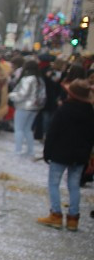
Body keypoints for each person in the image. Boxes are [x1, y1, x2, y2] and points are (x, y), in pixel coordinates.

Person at [37, 78, 94, 230]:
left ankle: (56, 214)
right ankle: (73, 218)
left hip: (60, 153)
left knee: (54, 183)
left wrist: (47, 152)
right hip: (80, 155)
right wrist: (88, 157)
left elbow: (53, 132)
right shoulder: (90, 112)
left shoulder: (64, 110)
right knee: (74, 185)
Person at [8, 59, 43, 158]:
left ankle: (18, 149)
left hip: (24, 106)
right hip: (35, 107)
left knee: (19, 129)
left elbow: (22, 94)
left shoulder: (27, 79)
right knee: (28, 129)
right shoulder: (39, 79)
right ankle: (30, 150)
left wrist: (10, 95)